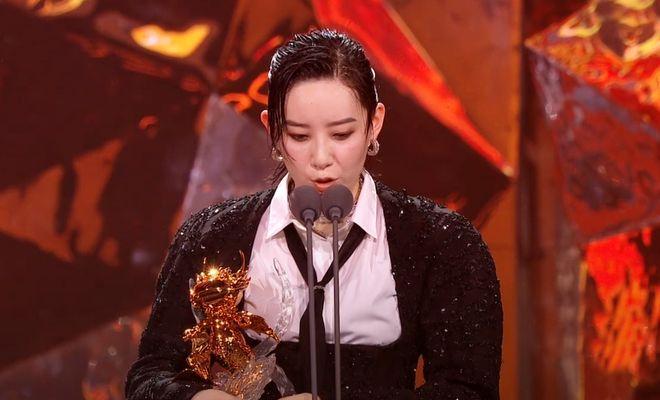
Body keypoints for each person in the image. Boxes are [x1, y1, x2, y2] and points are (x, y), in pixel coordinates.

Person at [125, 29, 502, 400]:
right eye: (299, 136)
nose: (321, 159)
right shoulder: (211, 234)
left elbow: (470, 390)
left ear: (374, 124)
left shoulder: (443, 241)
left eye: (341, 135)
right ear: (272, 131)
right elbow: (149, 376)